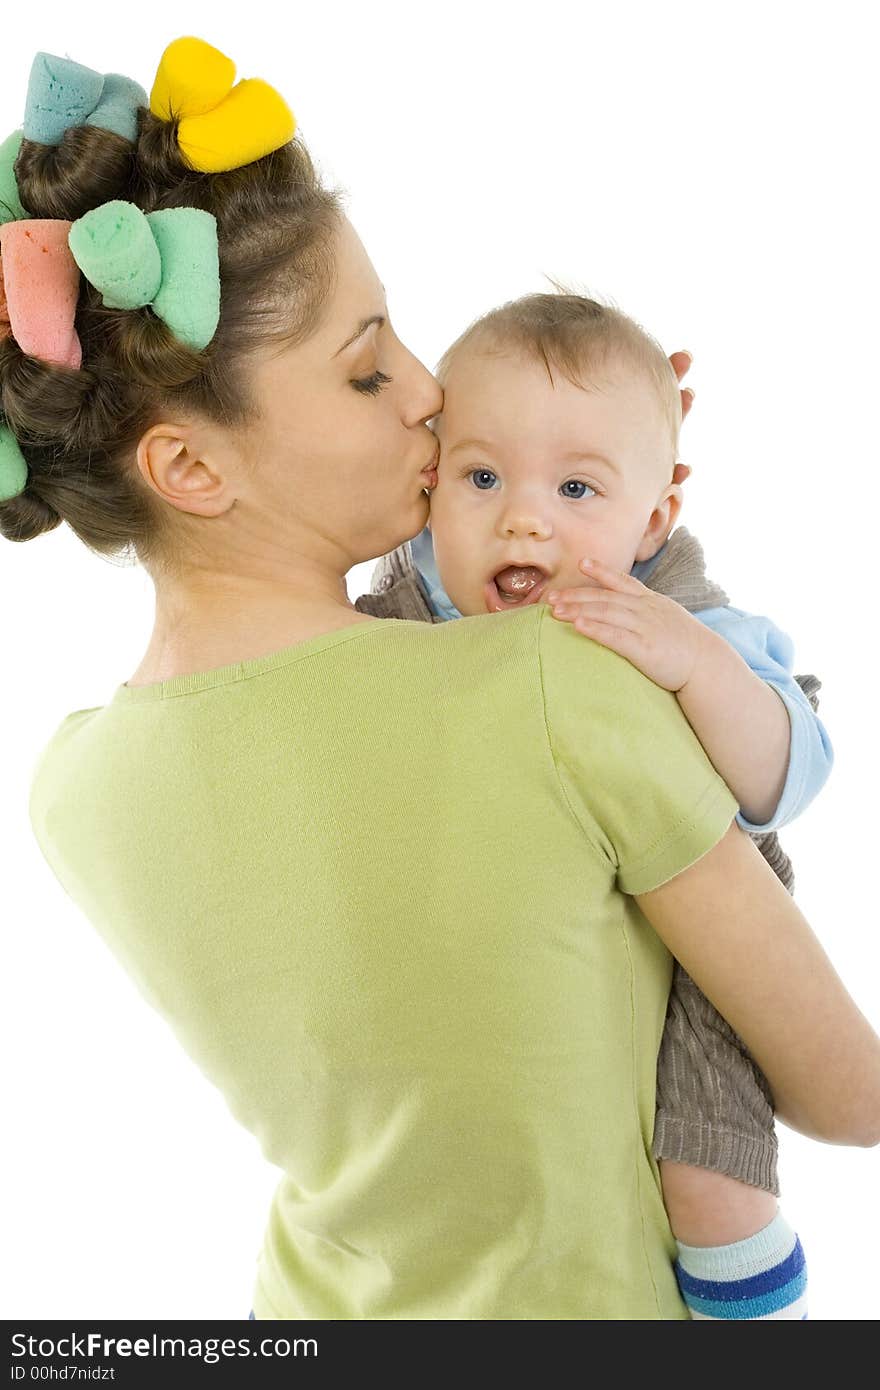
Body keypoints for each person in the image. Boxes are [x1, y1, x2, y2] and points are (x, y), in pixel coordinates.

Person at [4, 36, 879, 1321]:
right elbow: (845, 1094)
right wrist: (608, 491)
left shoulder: (70, 787)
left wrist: (563, 445)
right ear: (190, 470)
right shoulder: (554, 679)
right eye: (369, 369)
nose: (427, 394)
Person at [353, 291, 834, 1317]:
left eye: (577, 487)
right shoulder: (408, 604)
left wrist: (694, 665)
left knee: (706, 1174)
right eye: (482, 476)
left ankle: (753, 1296)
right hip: (490, 923)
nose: (523, 515)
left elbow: (782, 778)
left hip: (689, 931)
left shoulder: (691, 622)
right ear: (432, 483)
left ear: (653, 518)